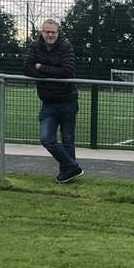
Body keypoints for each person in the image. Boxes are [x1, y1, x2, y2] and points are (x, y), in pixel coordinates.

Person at [23, 19, 82, 183]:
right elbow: (26, 67)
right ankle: (72, 166)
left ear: (58, 32)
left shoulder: (65, 46)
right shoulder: (35, 45)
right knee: (47, 138)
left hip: (68, 100)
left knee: (68, 140)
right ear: (42, 32)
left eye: (53, 32)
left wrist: (41, 68)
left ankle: (67, 174)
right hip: (48, 102)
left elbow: (67, 70)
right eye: (46, 31)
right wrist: (47, 75)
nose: (50, 35)